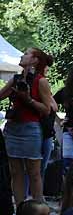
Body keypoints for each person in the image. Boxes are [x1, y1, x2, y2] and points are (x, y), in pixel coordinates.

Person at [0, 48, 55, 204]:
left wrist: (28, 99)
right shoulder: (16, 79)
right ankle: (20, 209)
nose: (21, 56)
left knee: (34, 172)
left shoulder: (41, 81)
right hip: (12, 128)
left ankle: (37, 210)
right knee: (15, 172)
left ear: (35, 60)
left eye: (25, 54)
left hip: (31, 128)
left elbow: (47, 109)